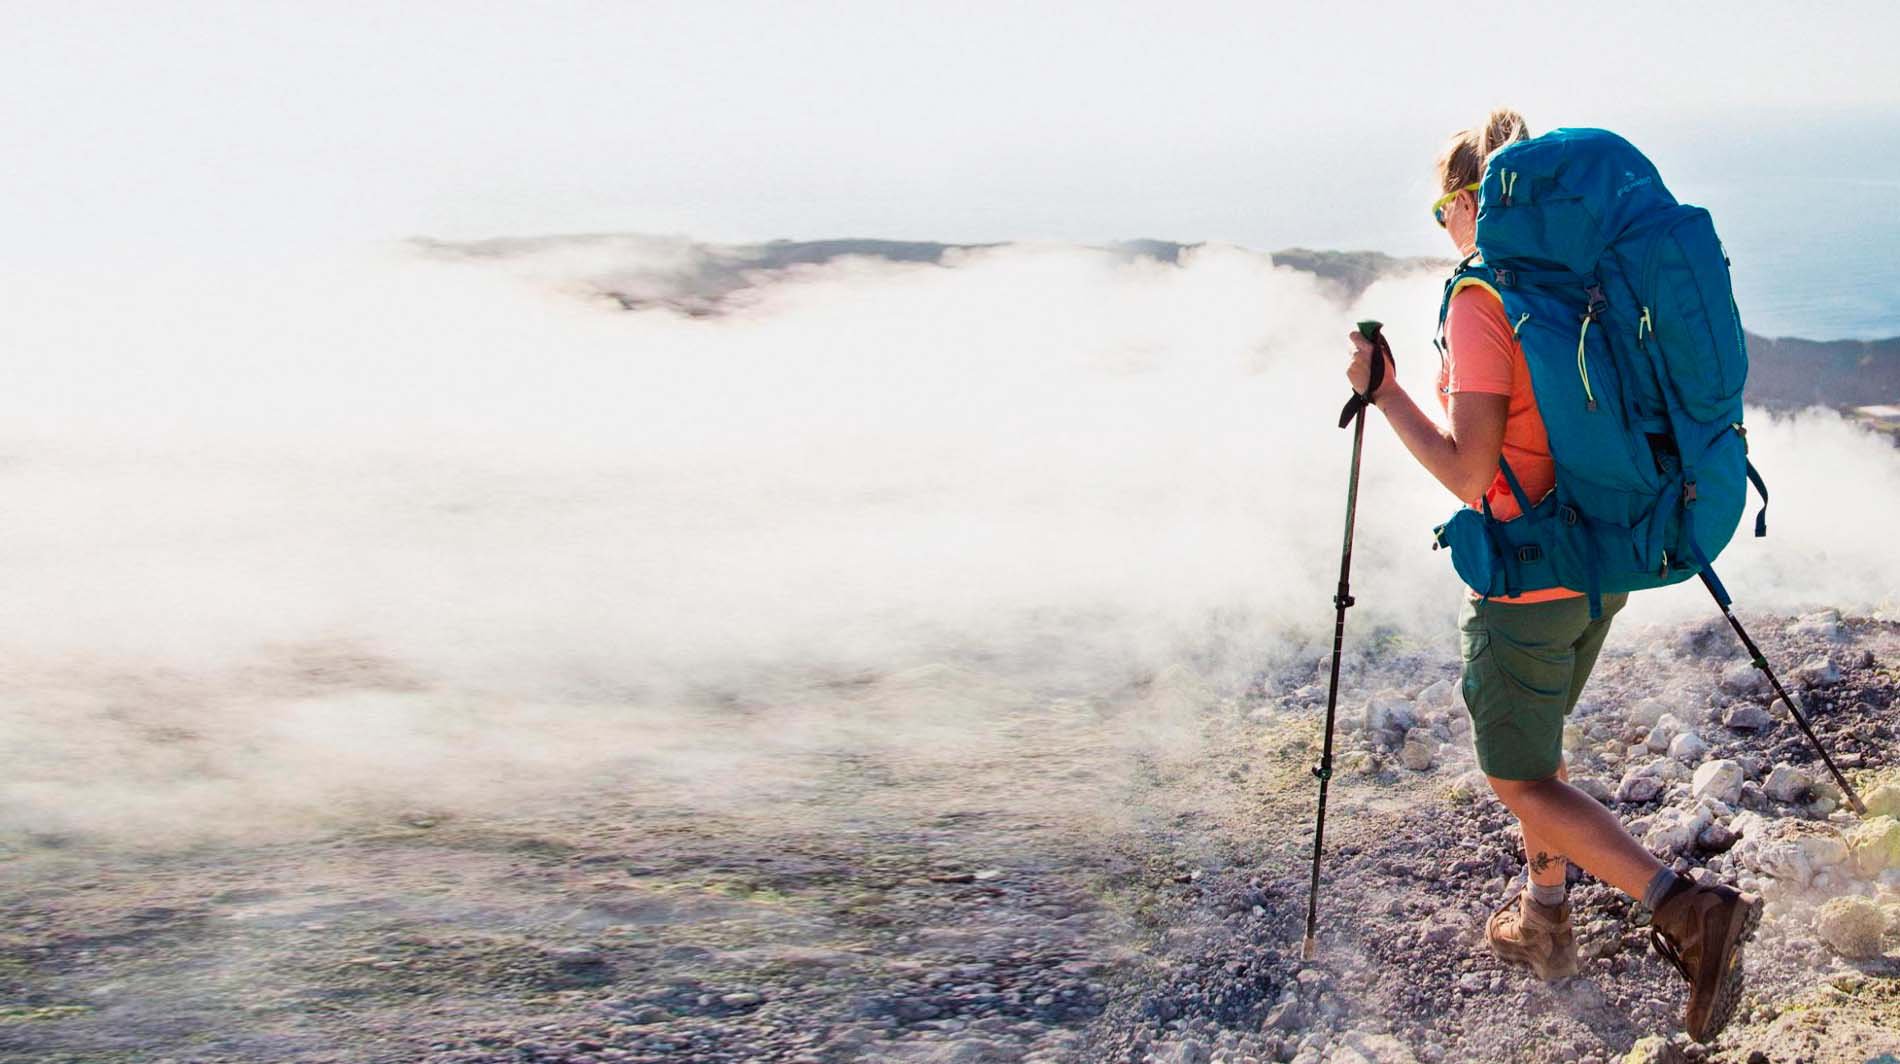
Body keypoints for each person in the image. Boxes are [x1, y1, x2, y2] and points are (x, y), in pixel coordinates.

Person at [1342, 109, 1761, 1044]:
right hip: (1598, 559)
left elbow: (1466, 469)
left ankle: (1687, 909)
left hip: (1525, 580)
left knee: (1516, 776)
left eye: (1443, 202)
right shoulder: (1572, 282)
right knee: (1540, 752)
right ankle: (1545, 918)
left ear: (1468, 198)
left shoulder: (1480, 299)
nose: (1444, 221)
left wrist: (1388, 394)